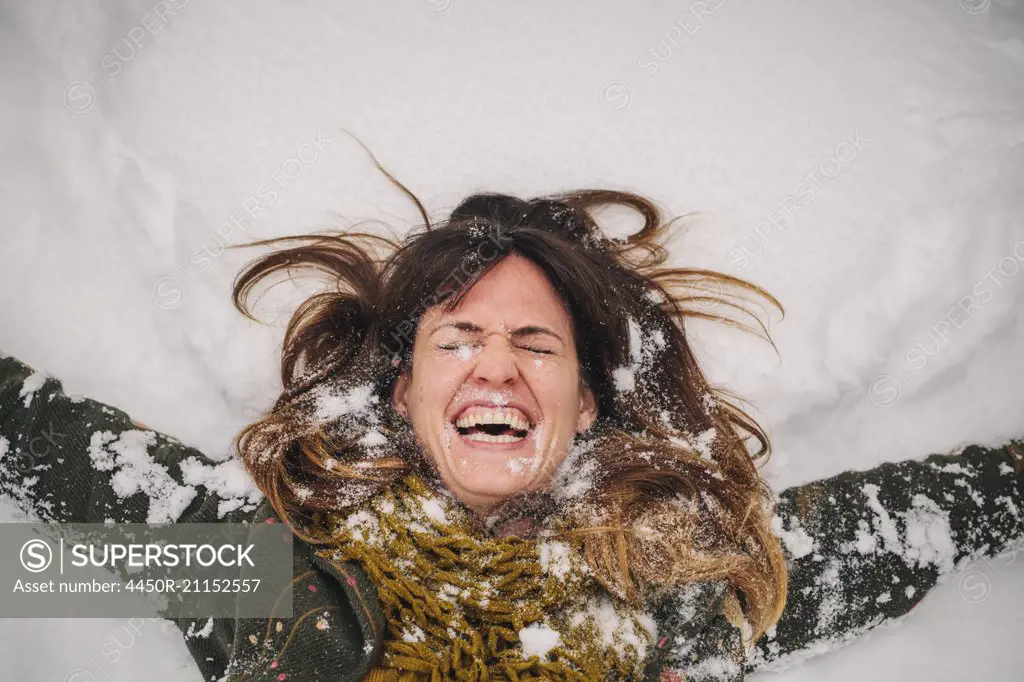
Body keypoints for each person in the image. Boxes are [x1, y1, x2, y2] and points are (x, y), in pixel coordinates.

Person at [1, 184, 1022, 682]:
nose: (495, 365)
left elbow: (906, 523)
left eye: (536, 343)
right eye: (459, 339)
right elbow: (52, 482)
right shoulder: (267, 568)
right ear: (402, 394)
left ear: (586, 403)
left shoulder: (688, 588)